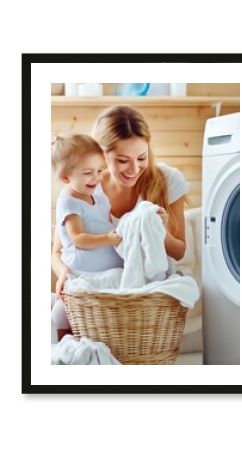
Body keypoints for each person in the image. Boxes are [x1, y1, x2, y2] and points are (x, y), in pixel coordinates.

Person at [52, 106, 188, 333]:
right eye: (123, 160)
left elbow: (179, 251)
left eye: (142, 157)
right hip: (97, 296)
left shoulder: (167, 180)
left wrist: (157, 230)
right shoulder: (85, 186)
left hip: (143, 298)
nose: (134, 169)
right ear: (101, 155)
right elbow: (59, 250)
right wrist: (63, 274)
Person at [51, 132, 123, 339]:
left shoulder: (95, 194)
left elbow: (106, 221)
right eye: (88, 172)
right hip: (81, 275)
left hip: (103, 277)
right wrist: (109, 239)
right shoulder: (69, 202)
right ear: (66, 177)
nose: (97, 177)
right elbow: (78, 239)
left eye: (99, 170)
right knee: (63, 321)